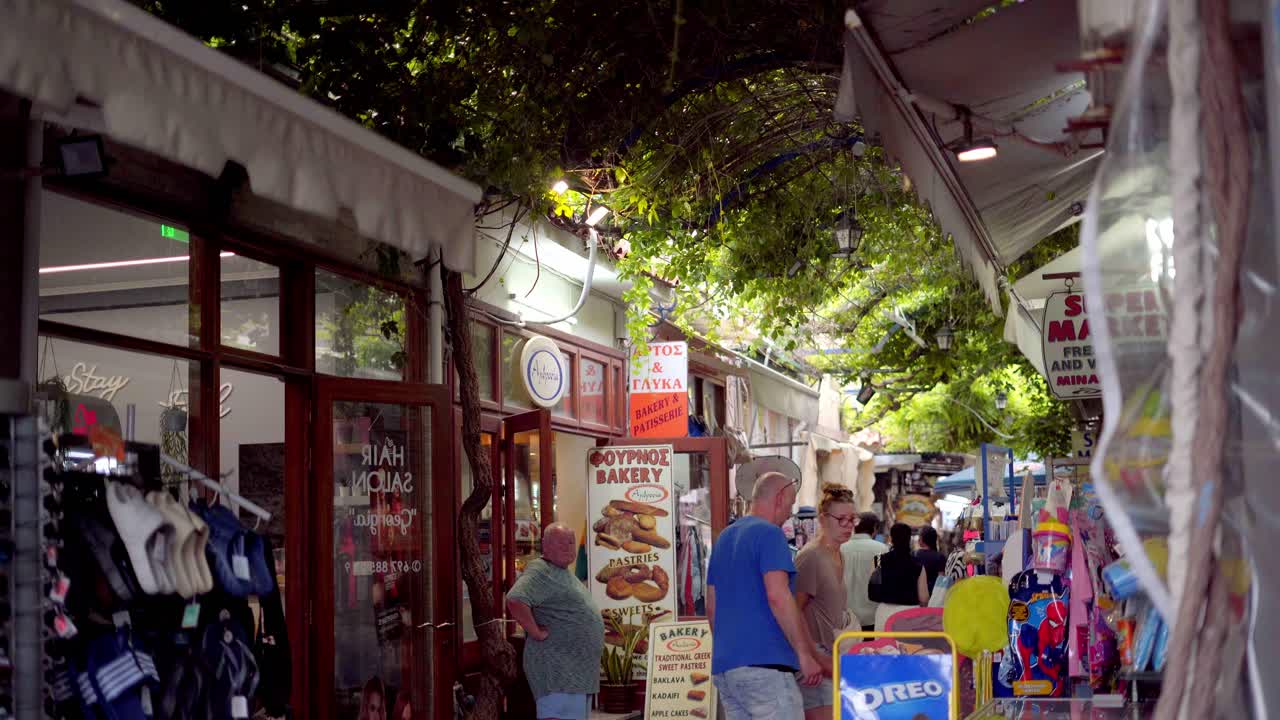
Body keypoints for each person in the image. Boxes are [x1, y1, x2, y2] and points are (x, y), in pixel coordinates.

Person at [708, 471, 824, 719]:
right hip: (766, 666)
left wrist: (728, 649)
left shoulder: (724, 537)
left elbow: (712, 605)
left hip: (727, 669)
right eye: (791, 504)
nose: (789, 513)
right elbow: (778, 596)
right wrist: (804, 655)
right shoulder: (770, 534)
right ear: (780, 497)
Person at [506, 523, 604, 720]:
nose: (569, 547)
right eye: (562, 543)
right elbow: (515, 599)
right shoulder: (541, 570)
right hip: (557, 673)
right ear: (546, 545)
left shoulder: (562, 572)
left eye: (571, 542)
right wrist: (535, 631)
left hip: (573, 676)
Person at [794, 484, 857, 720]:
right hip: (816, 655)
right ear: (823, 519)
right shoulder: (811, 556)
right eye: (841, 519)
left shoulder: (839, 554)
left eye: (852, 519)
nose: (848, 526)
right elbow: (792, 610)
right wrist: (809, 655)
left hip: (833, 652)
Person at [871, 523, 930, 630]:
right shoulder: (917, 564)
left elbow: (873, 591)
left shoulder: (879, 560)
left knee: (883, 646)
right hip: (910, 614)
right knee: (908, 646)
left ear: (891, 538)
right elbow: (924, 598)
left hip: (885, 613)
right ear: (909, 539)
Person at [841, 513, 888, 632]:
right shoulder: (881, 549)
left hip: (846, 616)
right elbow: (883, 579)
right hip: (873, 615)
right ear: (874, 528)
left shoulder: (841, 548)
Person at [914, 526, 948, 594]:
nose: (918, 540)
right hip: (934, 594)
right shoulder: (940, 557)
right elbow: (941, 580)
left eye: (919, 537)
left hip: (917, 593)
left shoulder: (915, 555)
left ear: (923, 539)